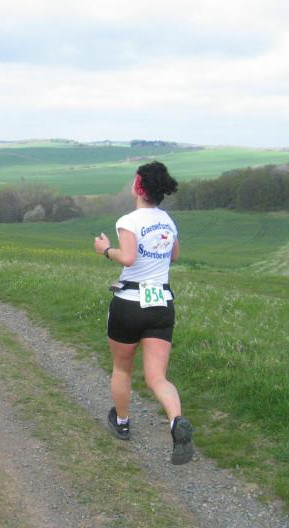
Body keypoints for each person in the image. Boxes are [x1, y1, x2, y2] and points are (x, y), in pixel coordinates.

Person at [93, 161, 193, 465]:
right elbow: (174, 255)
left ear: (138, 186)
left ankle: (122, 423)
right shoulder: (168, 221)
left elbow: (128, 257)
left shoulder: (129, 221)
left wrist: (105, 249)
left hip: (130, 302)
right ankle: (176, 421)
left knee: (122, 368)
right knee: (157, 377)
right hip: (161, 303)